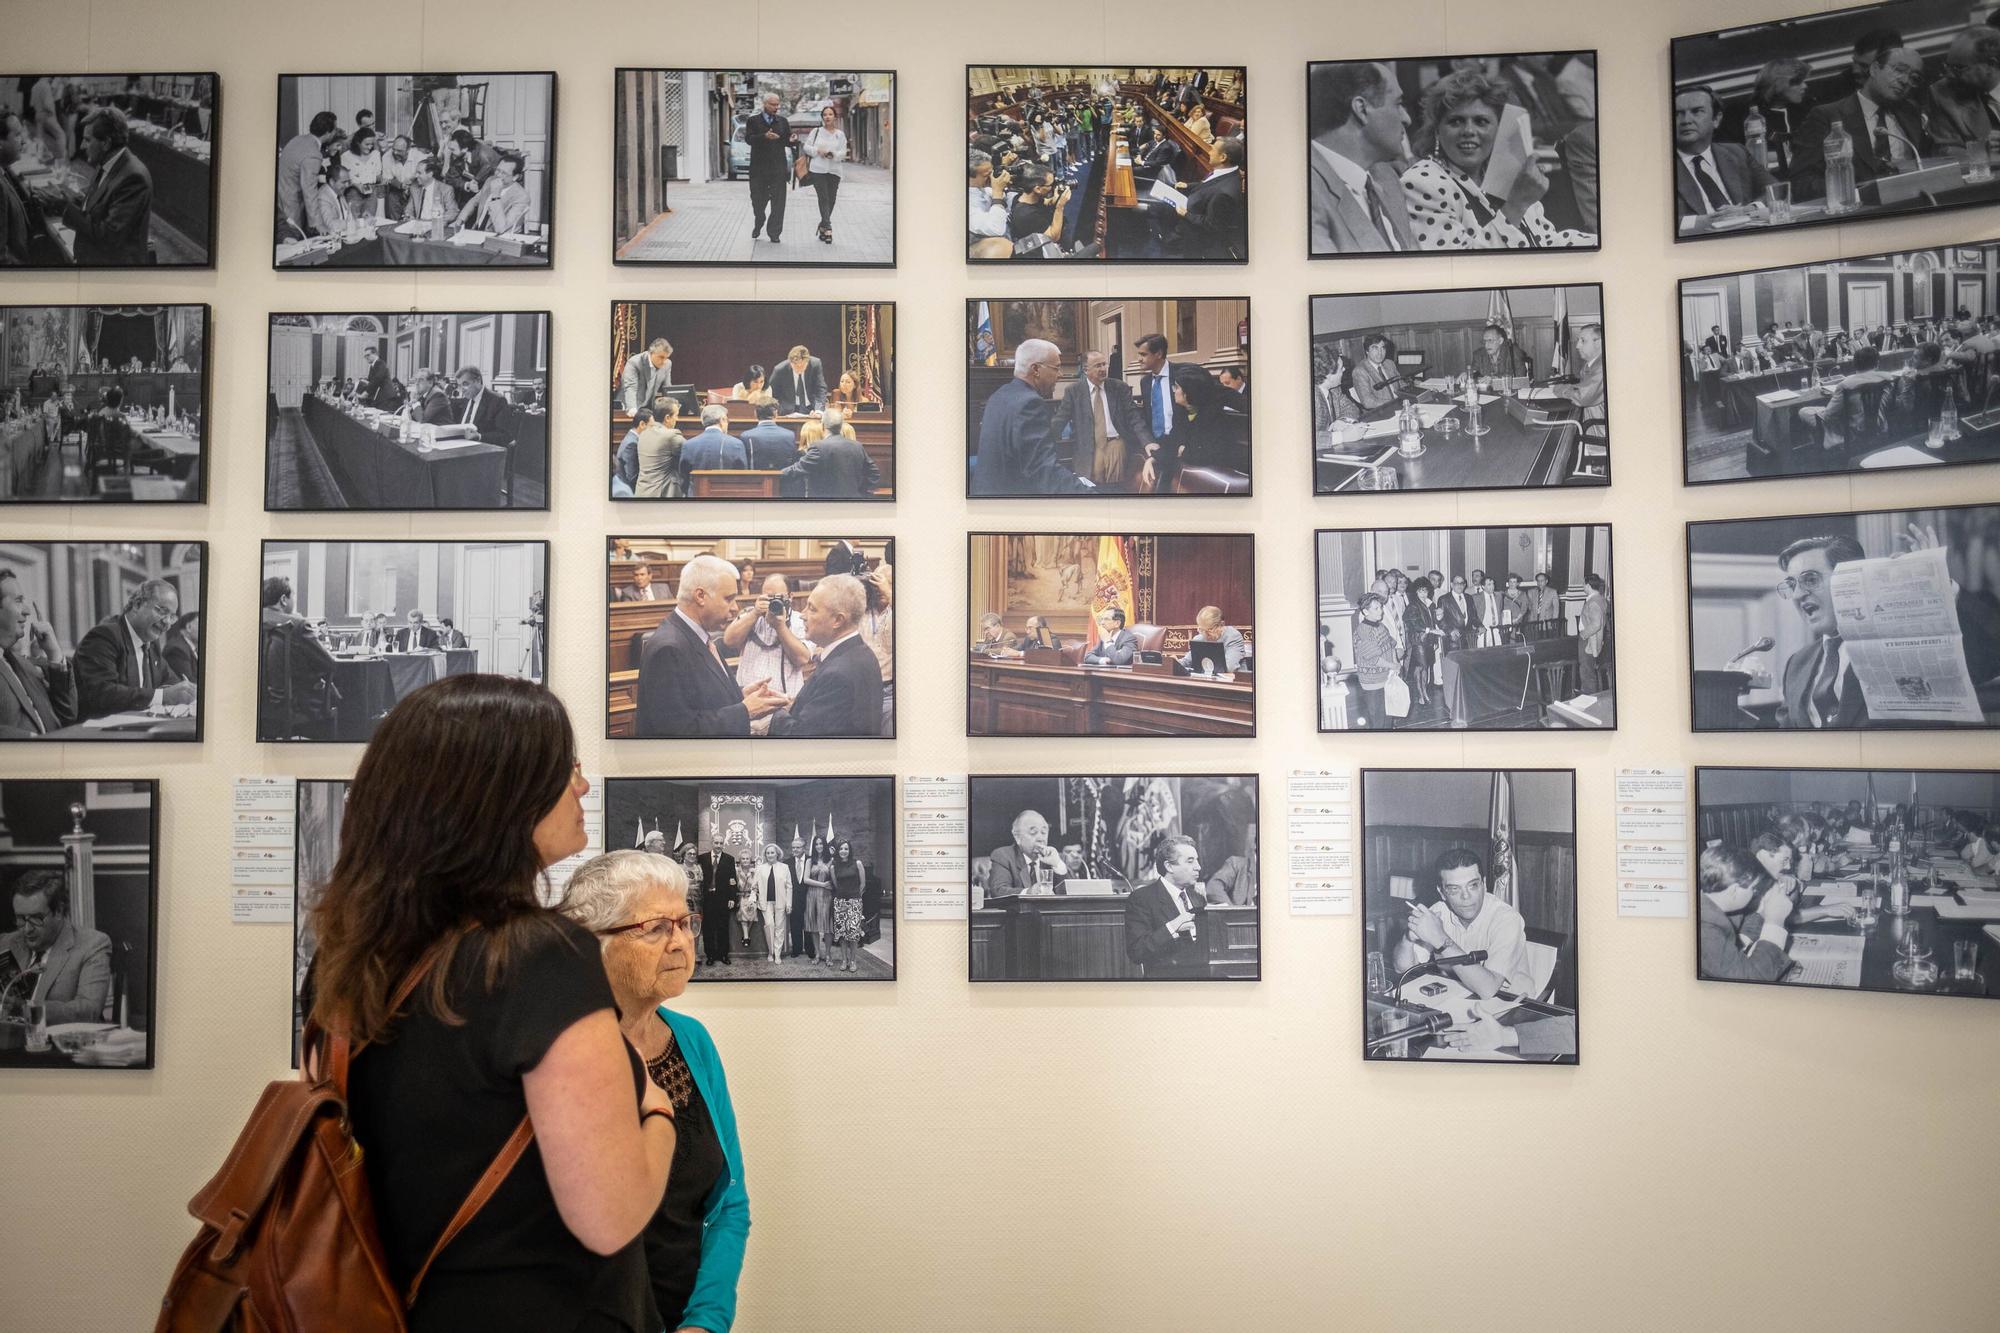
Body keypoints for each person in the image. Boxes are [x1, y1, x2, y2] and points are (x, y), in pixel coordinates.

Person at [303, 675, 675, 1332]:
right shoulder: (540, 957)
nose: (583, 786)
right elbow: (610, 1215)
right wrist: (658, 1109)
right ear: (504, 795)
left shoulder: (343, 969)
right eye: (567, 769)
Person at [556, 851, 747, 1333]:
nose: (682, 943)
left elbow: (730, 1203)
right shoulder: (553, 1055)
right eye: (657, 928)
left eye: (686, 923)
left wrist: (705, 1321)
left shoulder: (693, 1041)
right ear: (592, 943)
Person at [1773, 525, 2000, 728]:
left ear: (1849, 578)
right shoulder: (1797, 664)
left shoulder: (1907, 640)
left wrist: (1942, 587)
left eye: (1810, 579)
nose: (1799, 594)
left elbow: (1990, 659)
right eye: (1791, 584)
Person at [1399, 69, 1595, 250]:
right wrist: (1515, 205)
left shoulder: (1505, 174)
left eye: (1481, 121)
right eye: (1455, 121)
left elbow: (1546, 241)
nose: (1468, 131)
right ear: (1437, 131)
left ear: (1499, 131)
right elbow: (1459, 268)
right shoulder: (1422, 181)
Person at [634, 555, 784, 738]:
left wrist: (739, 695)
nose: (735, 608)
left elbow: (699, 698)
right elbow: (677, 732)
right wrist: (746, 710)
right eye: (728, 599)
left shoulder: (696, 635)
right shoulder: (668, 649)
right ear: (700, 596)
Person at [1789, 43, 1931, 200]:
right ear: (1875, 69)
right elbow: (1800, 183)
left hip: (1911, 199)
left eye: (1914, 78)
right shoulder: (1827, 116)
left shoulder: (1910, 112)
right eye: (1899, 70)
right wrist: (1856, 191)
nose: (1905, 81)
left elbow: (1927, 162)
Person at [1391, 848, 1535, 999]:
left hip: (1512, 1004)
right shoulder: (1437, 912)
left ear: (1484, 884)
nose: (1466, 896)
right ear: (1441, 893)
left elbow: (1488, 989)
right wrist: (1408, 939)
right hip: (1458, 997)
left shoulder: (1507, 919)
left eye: (1473, 885)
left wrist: (1441, 939)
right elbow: (1402, 968)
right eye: (1454, 889)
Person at [1309, 61, 1417, 254]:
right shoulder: (1307, 193)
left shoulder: (1387, 177)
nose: (1407, 119)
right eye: (1398, 104)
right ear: (1362, 109)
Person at [972, 338, 1093, 495]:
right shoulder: (1029, 404)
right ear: (1036, 369)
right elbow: (1043, 472)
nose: (1061, 375)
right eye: (1056, 368)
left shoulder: (999, 395)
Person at [768, 574, 882, 738]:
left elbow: (801, 738)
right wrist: (795, 704)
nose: (803, 615)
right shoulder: (862, 653)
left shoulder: (838, 675)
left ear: (837, 620)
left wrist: (774, 712)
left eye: (812, 609)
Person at [36, 107, 153, 264]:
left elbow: (109, 236)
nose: (82, 146)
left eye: (87, 140)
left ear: (106, 143)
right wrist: (67, 198)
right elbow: (99, 204)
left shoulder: (134, 177)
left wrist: (64, 208)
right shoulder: (108, 161)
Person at [73, 578, 194, 721]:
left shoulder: (152, 643)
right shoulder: (105, 636)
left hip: (137, 728)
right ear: (137, 605)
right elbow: (102, 693)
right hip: (100, 732)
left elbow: (170, 680)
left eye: (172, 616)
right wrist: (164, 696)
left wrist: (186, 690)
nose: (167, 622)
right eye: (162, 611)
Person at [3, 868, 112, 1023]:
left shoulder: (92, 945)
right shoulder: (7, 943)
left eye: (36, 918)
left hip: (59, 1043)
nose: (27, 929)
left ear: (59, 911)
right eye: (21, 918)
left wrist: (25, 1009)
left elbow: (89, 1010)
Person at [1697, 844, 1800, 982]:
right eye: (1754, 889)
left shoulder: (1712, 904)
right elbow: (1752, 979)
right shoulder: (1705, 930)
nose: (1755, 893)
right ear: (1734, 891)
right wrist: (1775, 921)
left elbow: (1746, 923)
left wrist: (1764, 910)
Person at [1672, 86, 1774, 222]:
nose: (1686, 120)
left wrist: (1749, 210)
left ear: (1716, 119)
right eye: (1678, 114)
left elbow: (1775, 190)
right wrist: (1707, 221)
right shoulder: (1660, 167)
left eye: (1697, 111)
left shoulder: (1736, 152)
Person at [0, 566, 78, 736]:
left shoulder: (22, 664)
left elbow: (68, 715)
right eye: (18, 600)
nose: (27, 610)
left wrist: (55, 654)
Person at [258, 577, 338, 742]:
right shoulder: (297, 624)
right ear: (283, 599)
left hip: (257, 705)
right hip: (294, 705)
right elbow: (329, 663)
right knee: (338, 696)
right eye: (292, 596)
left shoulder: (252, 621)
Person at [1124, 837, 1209, 979]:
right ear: (1169, 867)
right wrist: (1172, 927)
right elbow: (1137, 952)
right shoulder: (1142, 898)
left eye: (1197, 860)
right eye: (1190, 861)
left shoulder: (1198, 898)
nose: (1198, 867)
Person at [1062, 350, 1147, 489]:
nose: (1103, 369)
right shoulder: (1073, 391)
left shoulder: (1119, 387)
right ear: (1085, 369)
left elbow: (1134, 417)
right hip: (1090, 448)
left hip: (1116, 446)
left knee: (1116, 489)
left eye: (1104, 364)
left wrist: (1147, 443)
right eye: (1097, 366)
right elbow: (1060, 419)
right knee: (1092, 488)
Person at [723, 575, 813, 704]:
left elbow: (802, 659)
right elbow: (729, 641)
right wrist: (755, 613)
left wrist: (780, 627)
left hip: (784, 703)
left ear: (790, 596)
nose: (772, 602)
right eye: (768, 597)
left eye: (778, 597)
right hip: (748, 700)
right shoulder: (749, 615)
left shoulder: (800, 621)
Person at [1925, 27, 2000, 151]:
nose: (1949, 75)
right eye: (1948, 66)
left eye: (1958, 68)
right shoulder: (1943, 93)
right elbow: (1949, 152)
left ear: (1991, 65)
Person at [779, 409, 878, 498]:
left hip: (824, 504)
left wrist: (776, 474)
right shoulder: (857, 446)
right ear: (840, 426)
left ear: (822, 426)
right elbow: (874, 472)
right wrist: (861, 491)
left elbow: (798, 469)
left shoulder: (818, 447)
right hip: (852, 501)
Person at [1175, 136, 1245, 260]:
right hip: (1193, 210)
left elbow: (1213, 225)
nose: (1209, 152)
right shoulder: (1227, 171)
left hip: (1194, 236)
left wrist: (1186, 214)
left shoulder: (1224, 193)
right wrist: (1187, 185)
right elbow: (1208, 184)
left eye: (1212, 149)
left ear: (1223, 157)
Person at [277, 110, 342, 238]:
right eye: (334, 130)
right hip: (291, 206)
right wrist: (317, 224)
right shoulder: (313, 154)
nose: (335, 132)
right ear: (328, 132)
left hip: (280, 198)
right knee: (295, 240)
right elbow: (309, 191)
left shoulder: (298, 139)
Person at [1743, 57, 1812, 175]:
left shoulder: (1807, 111)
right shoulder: (1751, 117)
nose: (1805, 86)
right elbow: (1748, 156)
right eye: (1797, 82)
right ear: (1777, 85)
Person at [744, 90, 791, 243]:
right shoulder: (753, 121)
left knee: (779, 203)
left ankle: (774, 233)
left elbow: (787, 141)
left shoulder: (783, 122)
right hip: (758, 170)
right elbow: (749, 139)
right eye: (772, 104)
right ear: (764, 104)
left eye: (778, 105)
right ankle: (759, 219)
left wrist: (792, 139)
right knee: (758, 200)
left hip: (778, 169)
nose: (776, 107)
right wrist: (764, 136)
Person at [986, 809, 1069, 894]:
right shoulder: (1003, 856)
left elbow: (1072, 892)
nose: (1041, 839)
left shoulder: (1055, 858)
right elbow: (998, 890)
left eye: (1044, 832)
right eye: (1033, 833)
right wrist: (1028, 892)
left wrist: (1057, 864)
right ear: (1017, 836)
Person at [800, 104, 845, 245]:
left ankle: (822, 225)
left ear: (835, 117)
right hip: (818, 170)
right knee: (823, 198)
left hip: (834, 170)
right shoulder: (816, 131)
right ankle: (828, 229)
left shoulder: (840, 134)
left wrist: (834, 155)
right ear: (822, 117)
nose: (827, 117)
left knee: (831, 199)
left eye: (830, 114)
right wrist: (817, 151)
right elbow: (806, 147)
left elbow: (843, 152)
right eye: (825, 114)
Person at [457, 151, 531, 234]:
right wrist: (460, 220)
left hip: (500, 239)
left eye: (504, 173)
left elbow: (501, 229)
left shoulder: (522, 197)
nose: (498, 175)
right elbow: (475, 200)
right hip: (478, 231)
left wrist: (496, 196)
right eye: (498, 170)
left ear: (515, 177)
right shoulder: (490, 180)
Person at [678, 404, 747, 488]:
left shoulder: (688, 445)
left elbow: (684, 477)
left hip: (697, 495)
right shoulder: (736, 444)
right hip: (726, 494)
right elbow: (742, 476)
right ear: (722, 419)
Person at [1549, 323, 1607, 423]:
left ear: (1598, 343)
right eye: (1578, 341)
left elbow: (1581, 396)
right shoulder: (1590, 364)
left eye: (1583, 341)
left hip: (1599, 431)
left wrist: (1557, 387)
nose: (1577, 346)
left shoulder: (1602, 367)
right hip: (1589, 421)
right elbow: (1582, 386)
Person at [1402, 580, 1441, 709]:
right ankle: (1419, 693)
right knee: (1419, 667)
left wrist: (1434, 639)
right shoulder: (1413, 605)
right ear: (1416, 592)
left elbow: (1433, 623)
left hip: (1428, 640)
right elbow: (1414, 623)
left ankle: (1424, 691)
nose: (1423, 594)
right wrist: (1431, 631)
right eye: (1420, 591)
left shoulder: (1431, 605)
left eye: (1425, 591)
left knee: (1426, 667)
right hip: (1418, 640)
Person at [1177, 605, 1248, 674]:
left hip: (1235, 683)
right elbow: (1187, 661)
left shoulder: (1233, 636)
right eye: (1202, 630)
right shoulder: (1199, 638)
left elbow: (1230, 667)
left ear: (1222, 625)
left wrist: (1204, 669)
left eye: (1209, 630)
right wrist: (1175, 662)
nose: (1205, 634)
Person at [1349, 335, 1404, 411]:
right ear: (1367, 351)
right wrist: (1394, 403)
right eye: (1375, 348)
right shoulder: (1360, 371)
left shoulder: (1389, 363)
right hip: (1381, 411)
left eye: (1383, 348)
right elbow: (1368, 402)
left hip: (1401, 405)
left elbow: (1401, 384)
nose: (1380, 353)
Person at [621, 339, 675, 417]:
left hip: (648, 410)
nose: (664, 361)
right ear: (651, 353)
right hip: (630, 408)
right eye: (661, 357)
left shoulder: (667, 364)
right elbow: (630, 388)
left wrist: (672, 408)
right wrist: (632, 409)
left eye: (666, 358)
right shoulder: (634, 362)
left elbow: (667, 388)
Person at [803, 836, 835, 966]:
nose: (819, 846)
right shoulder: (810, 861)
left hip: (827, 896)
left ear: (825, 845)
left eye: (821, 843)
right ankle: (817, 954)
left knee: (827, 927)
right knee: (813, 926)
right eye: (816, 844)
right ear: (814, 846)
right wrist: (822, 885)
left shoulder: (831, 860)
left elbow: (835, 877)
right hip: (812, 895)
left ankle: (828, 954)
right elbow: (805, 879)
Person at [768, 346, 826, 417]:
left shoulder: (815, 364)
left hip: (812, 409)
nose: (799, 368)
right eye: (795, 365)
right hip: (787, 412)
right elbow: (771, 394)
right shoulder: (780, 370)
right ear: (790, 362)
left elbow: (820, 389)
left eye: (802, 365)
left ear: (807, 362)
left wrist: (818, 411)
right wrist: (777, 410)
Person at [634, 421, 685, 500]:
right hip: (663, 492)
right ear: (667, 418)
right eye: (675, 415)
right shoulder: (671, 435)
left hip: (642, 490)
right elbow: (688, 449)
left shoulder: (643, 434)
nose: (677, 419)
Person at [341, 126, 384, 216]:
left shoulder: (375, 155)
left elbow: (378, 176)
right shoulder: (346, 157)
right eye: (367, 144)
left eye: (372, 144)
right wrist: (356, 185)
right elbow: (344, 179)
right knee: (354, 222)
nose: (370, 147)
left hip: (371, 193)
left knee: (369, 222)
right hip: (353, 194)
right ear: (358, 143)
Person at [1577, 573, 1609, 692]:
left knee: (1586, 671)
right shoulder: (1600, 599)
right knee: (1589, 669)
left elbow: (1596, 625)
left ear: (1589, 586)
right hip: (1594, 640)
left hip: (1589, 641)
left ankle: (1588, 699)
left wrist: (1583, 634)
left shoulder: (1593, 602)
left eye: (1584, 584)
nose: (1583, 587)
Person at [783, 836, 814, 961]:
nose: (795, 850)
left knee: (808, 923)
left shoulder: (811, 861)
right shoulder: (787, 863)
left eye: (798, 847)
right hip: (794, 898)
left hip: (809, 896)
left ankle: (810, 949)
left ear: (804, 848)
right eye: (793, 847)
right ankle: (796, 949)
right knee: (795, 924)